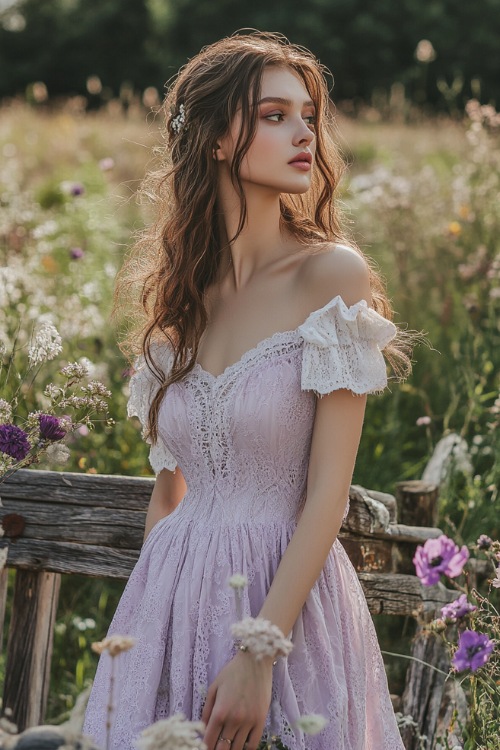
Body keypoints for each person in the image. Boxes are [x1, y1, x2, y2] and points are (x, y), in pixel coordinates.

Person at [83, 31, 409, 750]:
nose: (305, 134)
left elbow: (327, 494)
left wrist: (261, 650)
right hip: (169, 603)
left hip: (285, 607)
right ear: (216, 140)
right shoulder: (175, 302)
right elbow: (168, 497)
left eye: (308, 115)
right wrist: (149, 636)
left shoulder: (331, 279)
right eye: (274, 115)